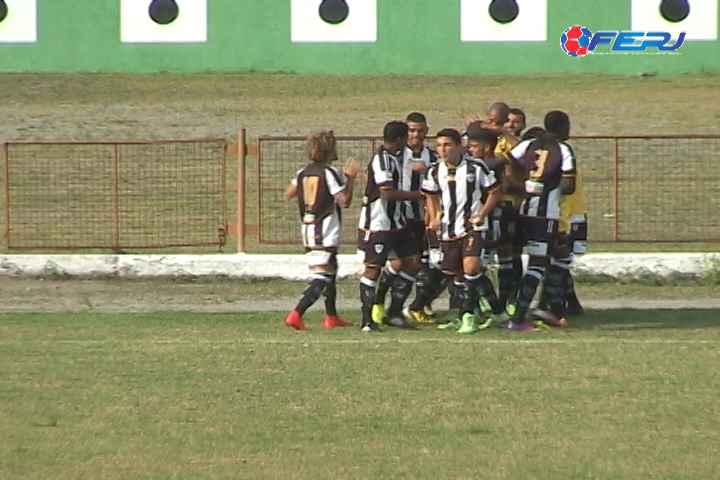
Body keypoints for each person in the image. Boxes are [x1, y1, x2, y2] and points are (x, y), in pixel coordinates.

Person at [421, 128, 503, 334]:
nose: (442, 149)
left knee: (471, 267)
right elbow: (430, 196)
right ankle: (469, 314)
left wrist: (482, 214)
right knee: (456, 276)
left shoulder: (476, 167)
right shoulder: (433, 171)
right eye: (439, 145)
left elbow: (494, 191)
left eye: (447, 144)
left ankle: (468, 317)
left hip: (472, 227)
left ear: (459, 145)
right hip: (449, 229)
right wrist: (434, 216)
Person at [502, 111, 577, 331]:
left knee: (560, 257)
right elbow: (568, 186)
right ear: (562, 126)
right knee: (537, 264)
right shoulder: (563, 149)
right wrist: (546, 186)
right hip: (545, 215)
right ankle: (518, 319)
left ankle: (552, 310)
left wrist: (523, 183)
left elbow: (506, 161)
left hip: (523, 210)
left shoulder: (529, 144)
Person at [283, 130, 361, 330]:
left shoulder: (303, 172)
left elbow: (288, 193)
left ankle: (331, 316)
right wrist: (350, 179)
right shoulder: (329, 173)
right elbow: (344, 201)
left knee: (331, 269)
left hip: (308, 227)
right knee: (323, 276)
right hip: (325, 228)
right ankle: (297, 313)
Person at [374, 112, 442, 325]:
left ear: (426, 132)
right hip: (399, 216)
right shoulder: (393, 155)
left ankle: (415, 306)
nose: (416, 135)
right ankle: (378, 303)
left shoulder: (431, 157)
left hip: (422, 217)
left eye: (420, 131)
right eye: (412, 130)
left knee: (421, 263)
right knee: (397, 263)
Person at [358, 121, 422, 332]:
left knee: (412, 262)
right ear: (400, 139)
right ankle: (367, 321)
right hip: (379, 224)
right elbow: (386, 192)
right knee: (372, 270)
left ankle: (394, 312)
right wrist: (417, 196)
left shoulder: (397, 157)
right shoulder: (382, 159)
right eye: (406, 137)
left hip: (398, 223)